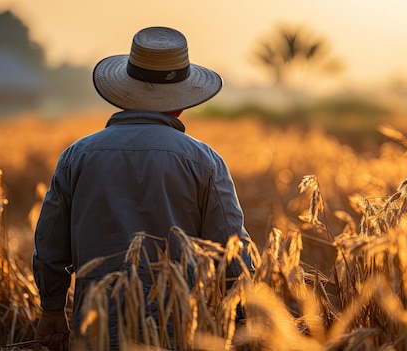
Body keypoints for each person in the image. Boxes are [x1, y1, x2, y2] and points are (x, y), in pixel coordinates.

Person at [32, 26, 252, 350]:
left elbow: (50, 245)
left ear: (126, 94)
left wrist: (51, 308)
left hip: (95, 330)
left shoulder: (77, 156)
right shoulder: (206, 162)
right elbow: (232, 251)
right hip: (178, 330)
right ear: (182, 101)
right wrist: (248, 321)